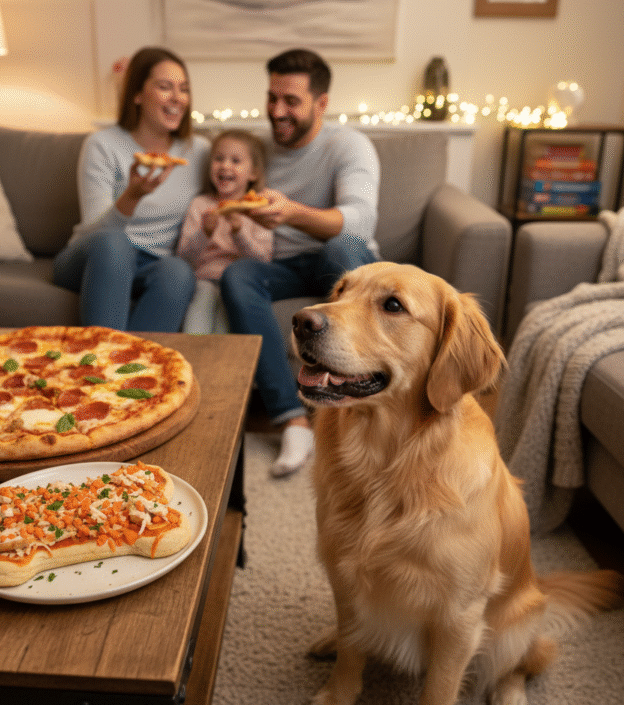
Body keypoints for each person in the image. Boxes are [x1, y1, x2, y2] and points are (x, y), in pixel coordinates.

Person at [219, 49, 380, 476]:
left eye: (291, 101)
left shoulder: (348, 145)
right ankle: (292, 420)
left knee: (340, 249)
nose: (277, 111)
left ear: (321, 103)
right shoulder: (259, 149)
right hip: (285, 265)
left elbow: (360, 223)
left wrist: (292, 212)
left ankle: (355, 403)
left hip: (343, 260)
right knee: (237, 274)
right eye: (272, 98)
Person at [53, 47, 210, 331]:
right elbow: (95, 230)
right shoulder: (102, 145)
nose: (177, 98)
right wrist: (132, 197)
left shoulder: (199, 152)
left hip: (153, 263)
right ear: (137, 94)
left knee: (178, 271)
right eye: (165, 87)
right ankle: (99, 365)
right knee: (116, 243)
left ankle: (137, 369)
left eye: (184, 89)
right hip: (92, 255)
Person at [176, 129, 273, 334]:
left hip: (239, 286)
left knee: (226, 321)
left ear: (253, 173)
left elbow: (262, 260)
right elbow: (183, 259)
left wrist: (239, 232)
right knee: (200, 308)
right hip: (203, 280)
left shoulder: (258, 208)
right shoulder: (200, 205)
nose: (225, 165)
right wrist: (204, 233)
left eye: (236, 160)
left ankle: (223, 362)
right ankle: (194, 355)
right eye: (218, 158)